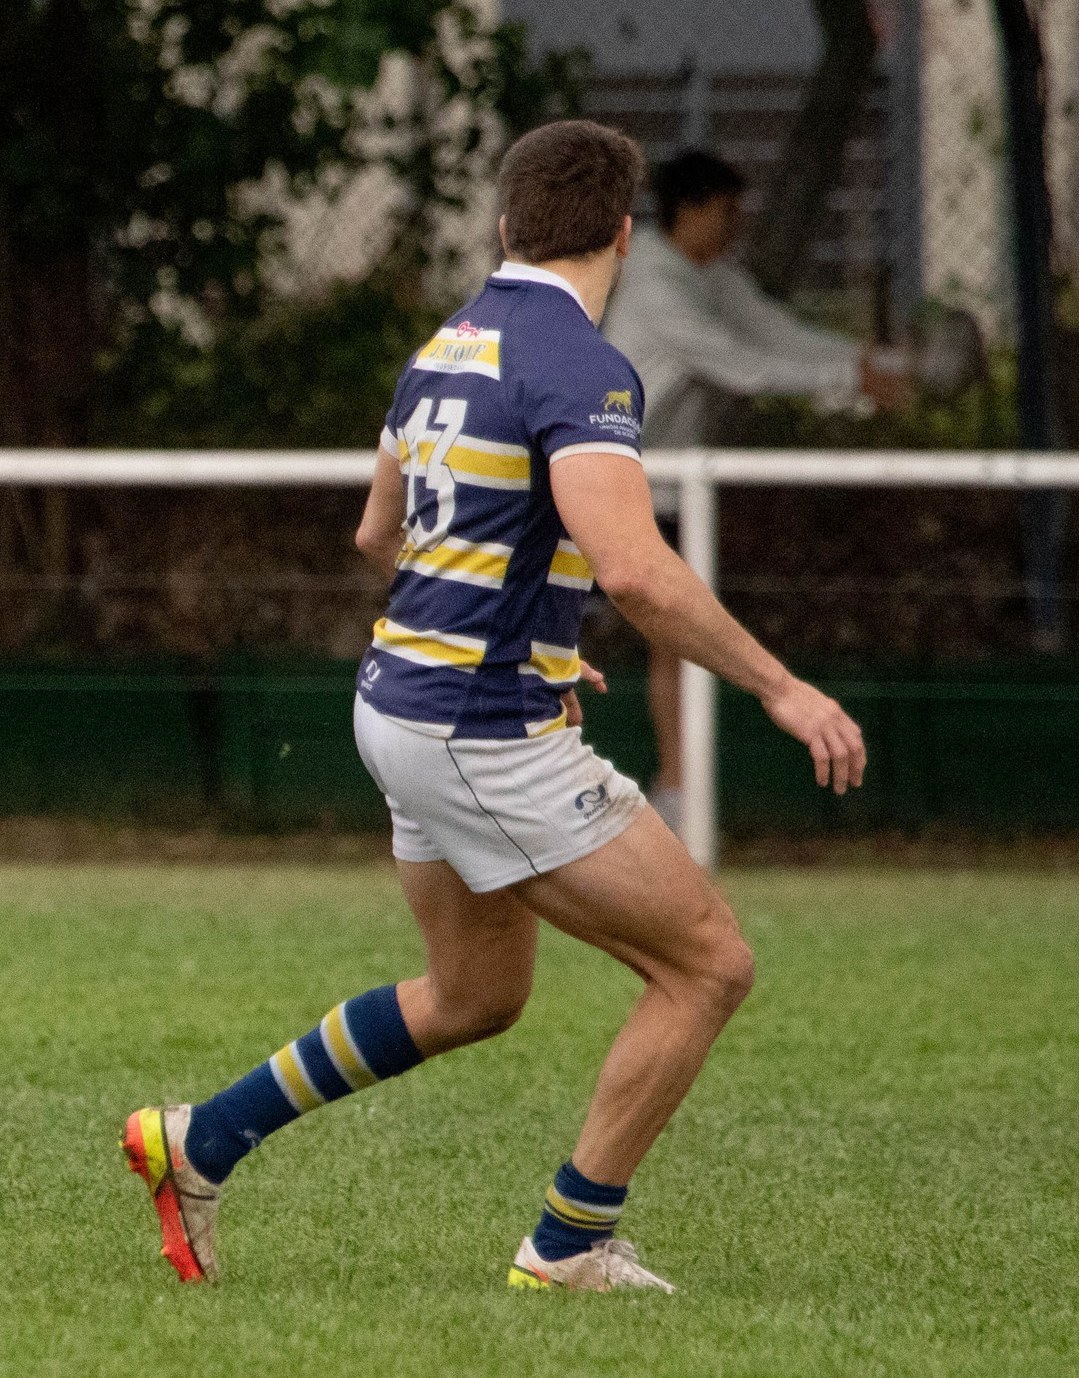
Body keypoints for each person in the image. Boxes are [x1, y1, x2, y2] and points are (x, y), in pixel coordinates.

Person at [122, 120, 865, 1292]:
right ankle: (565, 1245)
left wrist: (527, 634)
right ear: (621, 234)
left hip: (400, 701)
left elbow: (381, 534)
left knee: (474, 993)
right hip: (472, 727)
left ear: (505, 225)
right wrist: (780, 685)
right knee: (707, 963)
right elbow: (632, 566)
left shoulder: (442, 348)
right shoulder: (577, 363)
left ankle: (197, 1138)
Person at [602, 149, 906, 825]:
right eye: (726, 212)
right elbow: (741, 365)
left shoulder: (708, 275)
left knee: (672, 638)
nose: (735, 226)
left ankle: (677, 793)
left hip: (665, 490)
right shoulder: (656, 284)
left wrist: (874, 363)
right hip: (602, 488)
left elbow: (775, 333)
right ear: (689, 210)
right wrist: (850, 383)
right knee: (575, 635)